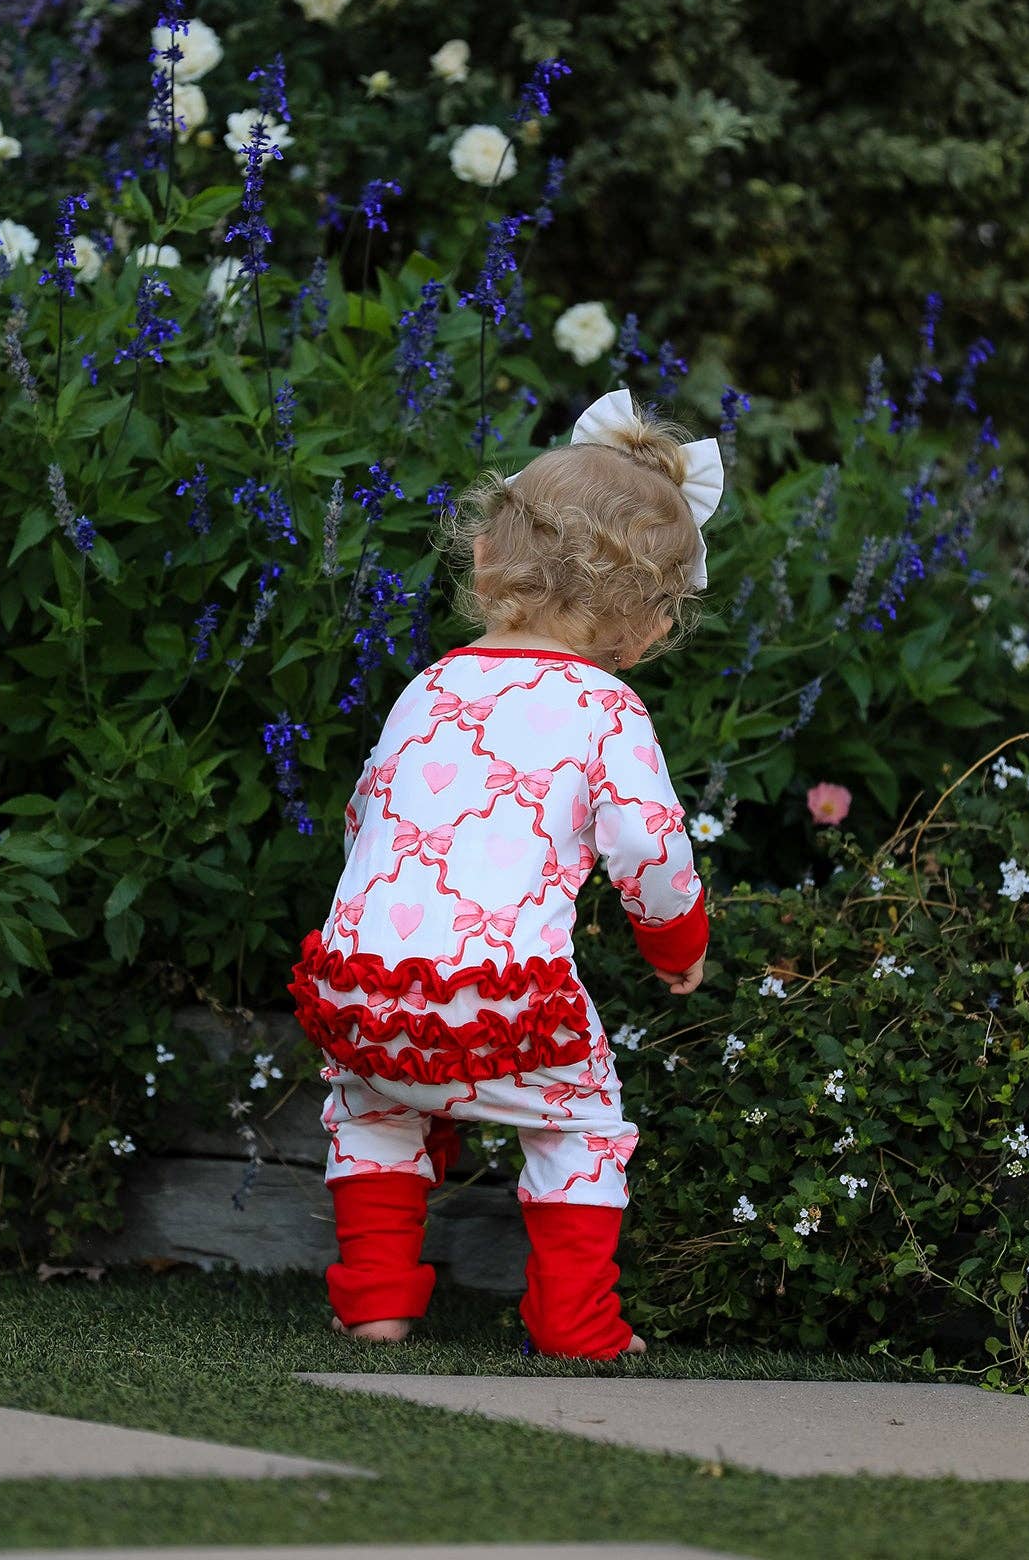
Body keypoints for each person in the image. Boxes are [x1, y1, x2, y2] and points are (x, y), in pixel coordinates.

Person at [290, 387, 723, 1359]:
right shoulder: (606, 709)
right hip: (504, 1002)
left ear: (485, 554)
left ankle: (375, 1305)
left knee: (373, 1111)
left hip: (360, 989)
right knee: (581, 1124)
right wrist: (676, 945)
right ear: (648, 620)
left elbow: (365, 812)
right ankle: (575, 1321)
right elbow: (652, 847)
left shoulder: (430, 685)